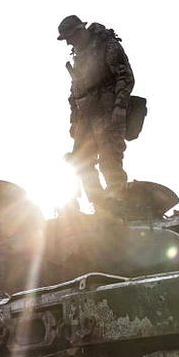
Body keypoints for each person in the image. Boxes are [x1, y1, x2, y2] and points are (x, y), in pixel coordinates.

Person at [58, 15, 134, 213]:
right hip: (85, 117)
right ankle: (100, 205)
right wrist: (74, 121)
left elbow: (125, 77)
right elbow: (75, 92)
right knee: (80, 162)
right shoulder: (79, 55)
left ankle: (117, 204)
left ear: (80, 30)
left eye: (70, 36)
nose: (68, 42)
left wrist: (120, 106)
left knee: (110, 160)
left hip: (107, 112)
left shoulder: (107, 45)